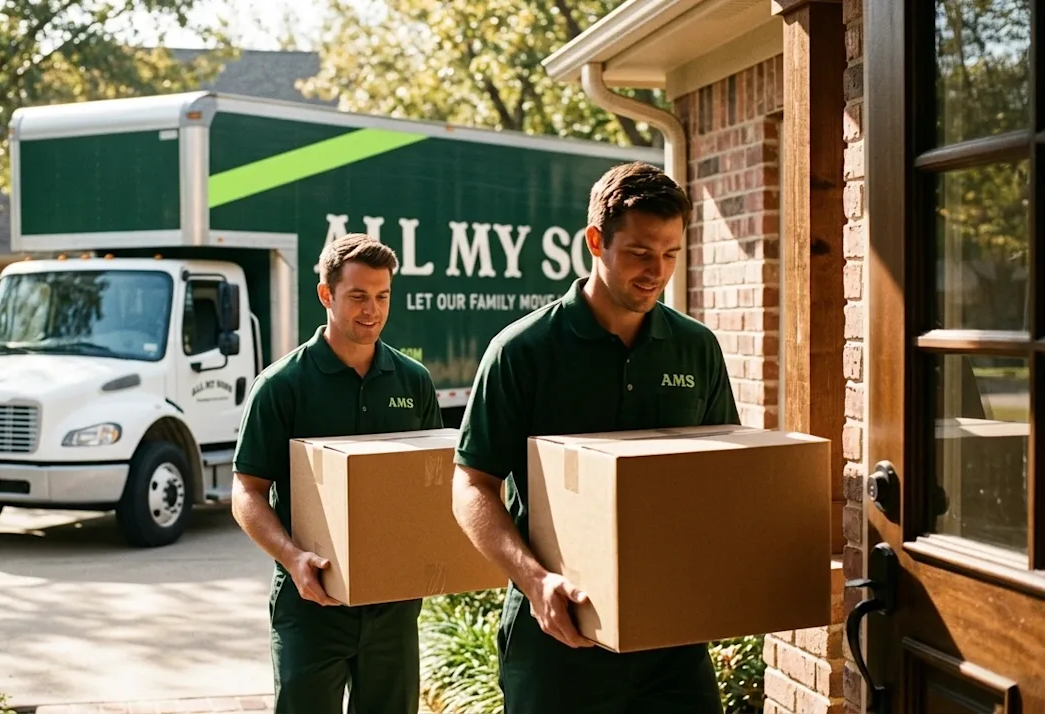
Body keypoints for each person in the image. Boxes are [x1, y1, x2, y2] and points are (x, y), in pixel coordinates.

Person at [451, 161, 741, 714]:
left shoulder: (695, 348)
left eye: (671, 254)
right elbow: (471, 483)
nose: (657, 271)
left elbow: (716, 475)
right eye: (639, 252)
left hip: (671, 637)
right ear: (595, 242)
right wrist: (535, 582)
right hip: (560, 632)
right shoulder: (523, 352)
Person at [231, 232, 444, 714]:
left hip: (393, 608)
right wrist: (292, 558)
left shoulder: (413, 381)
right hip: (310, 605)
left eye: (382, 296)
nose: (372, 310)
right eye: (358, 297)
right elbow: (246, 492)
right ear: (326, 295)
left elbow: (430, 481)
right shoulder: (282, 386)